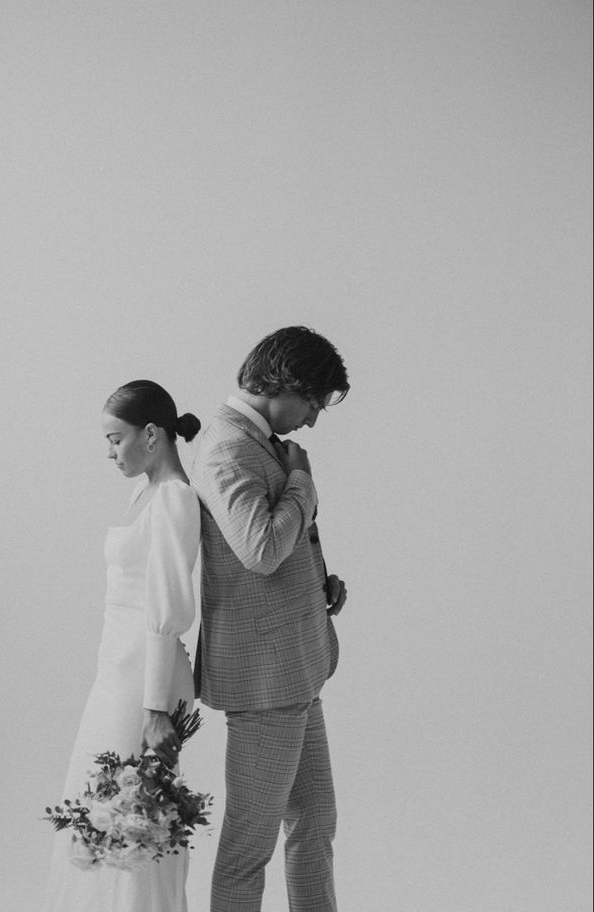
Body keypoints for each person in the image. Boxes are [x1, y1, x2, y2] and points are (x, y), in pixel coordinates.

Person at [192, 326, 350, 912]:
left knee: (314, 826)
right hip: (265, 680)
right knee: (247, 850)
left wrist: (317, 585)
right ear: (287, 383)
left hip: (295, 670)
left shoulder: (255, 445)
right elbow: (259, 550)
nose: (312, 420)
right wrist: (303, 481)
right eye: (314, 402)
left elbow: (269, 554)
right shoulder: (227, 448)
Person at [46, 380, 201, 912]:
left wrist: (155, 708)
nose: (109, 452)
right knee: (106, 813)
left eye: (116, 439)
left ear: (152, 434)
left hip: (145, 681)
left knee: (137, 820)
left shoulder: (177, 500)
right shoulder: (145, 492)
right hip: (117, 669)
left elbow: (167, 613)